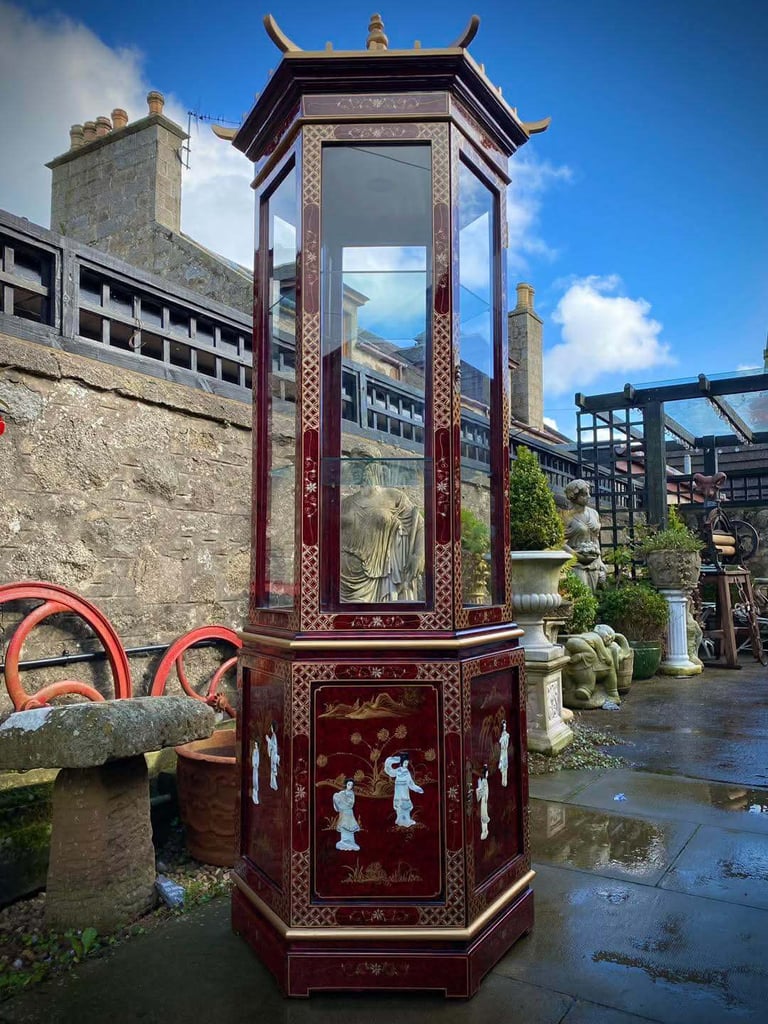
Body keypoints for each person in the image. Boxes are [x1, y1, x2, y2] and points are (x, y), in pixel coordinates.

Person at [340, 443, 425, 603]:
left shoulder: (393, 497)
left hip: (379, 577)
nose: (353, 469)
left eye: (358, 464)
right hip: (343, 579)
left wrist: (419, 555)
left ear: (373, 465)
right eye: (352, 465)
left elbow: (420, 526)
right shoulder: (346, 503)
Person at [563, 478, 607, 593]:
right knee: (582, 595)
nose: (588, 496)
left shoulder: (593, 513)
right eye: (584, 494)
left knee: (592, 597)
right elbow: (560, 542)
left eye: (588, 493)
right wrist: (576, 556)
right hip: (575, 563)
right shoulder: (567, 517)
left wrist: (600, 561)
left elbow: (595, 538)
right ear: (574, 496)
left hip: (593, 561)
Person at [384, 752, 424, 827]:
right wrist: (393, 760)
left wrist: (417, 789)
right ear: (401, 762)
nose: (406, 765)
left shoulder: (407, 772)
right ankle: (399, 819)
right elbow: (390, 771)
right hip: (398, 791)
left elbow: (410, 783)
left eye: (407, 763)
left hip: (404, 791)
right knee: (399, 805)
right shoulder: (398, 771)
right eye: (404, 763)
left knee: (405, 805)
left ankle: (407, 821)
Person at [332, 779, 361, 851]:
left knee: (349, 825)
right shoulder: (342, 793)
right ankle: (344, 841)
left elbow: (350, 804)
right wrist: (337, 798)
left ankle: (351, 842)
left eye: (351, 785)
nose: (350, 786)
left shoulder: (351, 793)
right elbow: (337, 799)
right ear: (346, 785)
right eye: (348, 784)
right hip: (343, 812)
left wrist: (343, 801)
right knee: (343, 825)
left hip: (349, 812)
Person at [476, 764, 490, 840]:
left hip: (484, 800)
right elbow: (483, 790)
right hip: (483, 800)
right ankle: (484, 830)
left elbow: (484, 791)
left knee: (483, 815)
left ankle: (485, 830)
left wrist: (479, 791)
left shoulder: (484, 781)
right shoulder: (484, 781)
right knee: (483, 816)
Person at [266, 722, 279, 791]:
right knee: (272, 770)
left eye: (271, 727)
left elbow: (274, 746)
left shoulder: (274, 736)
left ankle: (274, 784)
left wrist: (268, 740)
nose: (270, 728)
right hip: (273, 755)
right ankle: (272, 783)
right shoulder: (273, 736)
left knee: (273, 770)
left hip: (274, 755)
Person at [498, 720, 509, 787]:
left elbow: (503, 744)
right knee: (504, 767)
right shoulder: (504, 736)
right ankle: (504, 781)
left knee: (504, 767)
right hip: (503, 752)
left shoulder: (505, 736)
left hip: (504, 752)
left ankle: (504, 781)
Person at [251, 736, 260, 805]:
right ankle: (254, 796)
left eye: (256, 744)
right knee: (254, 781)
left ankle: (256, 796)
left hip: (256, 767)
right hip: (254, 767)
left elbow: (257, 759)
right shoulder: (254, 751)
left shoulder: (257, 751)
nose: (255, 746)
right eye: (255, 744)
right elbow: (253, 758)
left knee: (256, 781)